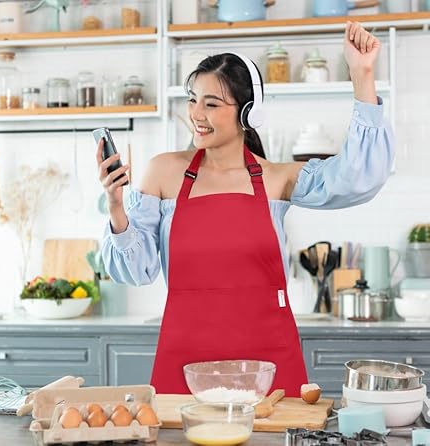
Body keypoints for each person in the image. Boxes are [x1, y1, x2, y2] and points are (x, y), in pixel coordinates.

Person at [97, 22, 394, 397]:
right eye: (192, 99)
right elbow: (136, 271)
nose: (196, 113)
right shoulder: (164, 172)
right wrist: (115, 206)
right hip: (186, 362)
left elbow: (358, 178)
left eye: (211, 103)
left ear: (249, 112)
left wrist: (362, 74)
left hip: (267, 365)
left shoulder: (276, 178)